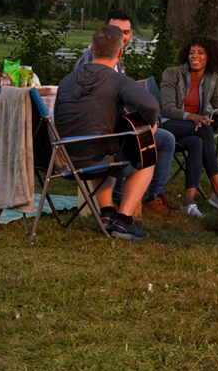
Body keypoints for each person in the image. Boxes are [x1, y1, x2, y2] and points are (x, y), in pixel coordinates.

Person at [53, 24, 161, 241]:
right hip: (97, 158)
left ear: (91, 50)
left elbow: (58, 116)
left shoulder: (66, 81)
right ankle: (124, 221)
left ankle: (106, 213)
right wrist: (148, 127)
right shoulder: (117, 80)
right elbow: (151, 106)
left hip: (65, 160)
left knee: (100, 140)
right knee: (147, 154)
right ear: (120, 53)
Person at [75, 8, 177, 214]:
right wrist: (145, 125)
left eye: (127, 32)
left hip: (106, 131)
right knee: (140, 142)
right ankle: (120, 205)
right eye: (117, 30)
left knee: (165, 139)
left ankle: (154, 197)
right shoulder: (90, 62)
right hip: (98, 135)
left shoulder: (118, 61)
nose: (122, 36)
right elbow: (93, 105)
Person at [159, 35, 218, 216]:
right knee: (204, 128)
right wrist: (191, 116)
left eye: (200, 53)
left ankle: (188, 204)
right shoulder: (171, 73)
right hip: (166, 126)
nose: (194, 56)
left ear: (210, 56)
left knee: (197, 142)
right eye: (191, 52)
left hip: (191, 130)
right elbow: (166, 109)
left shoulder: (212, 79)